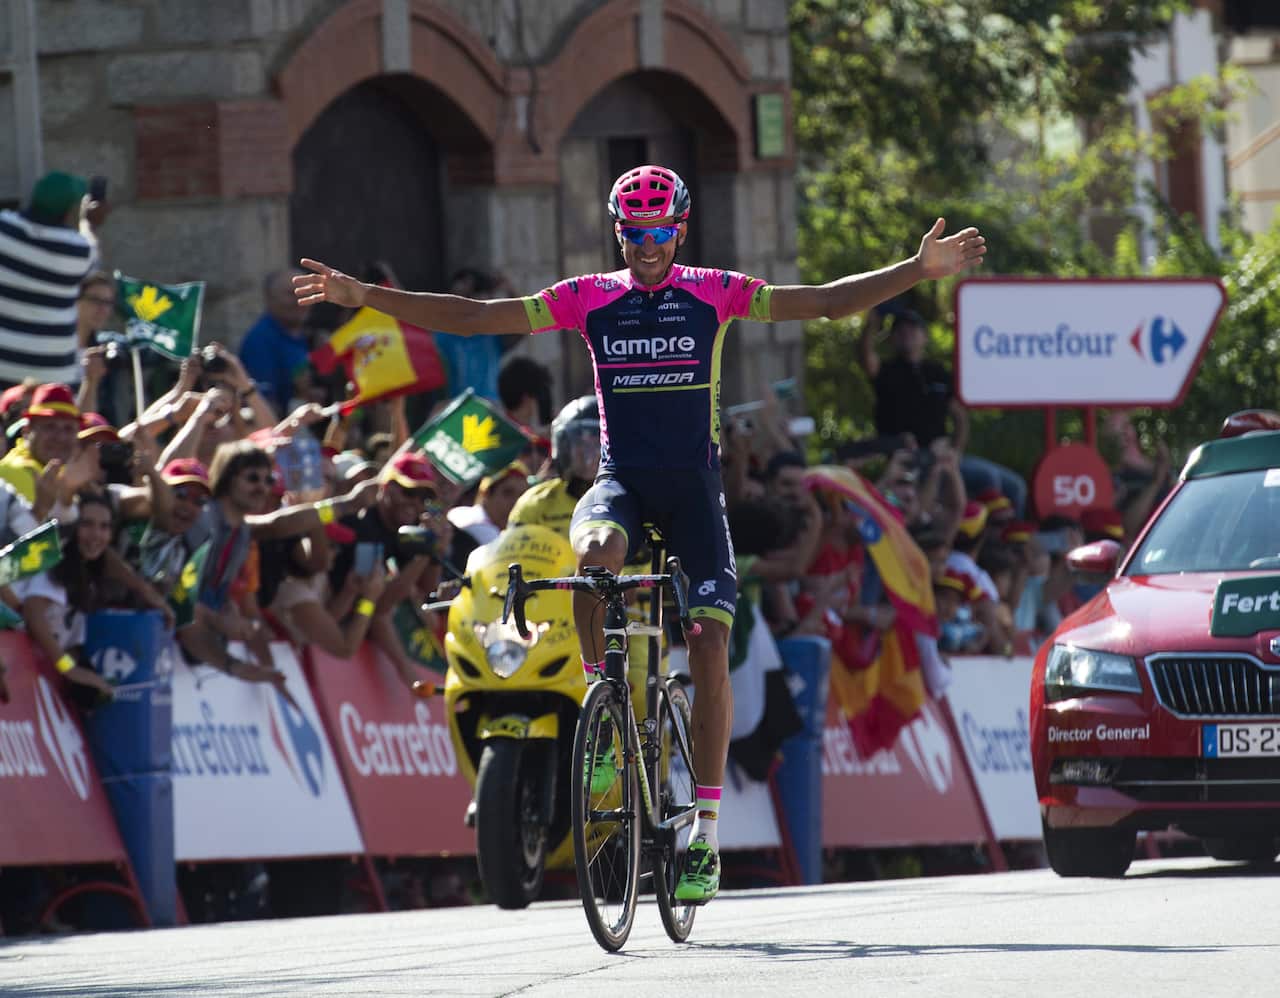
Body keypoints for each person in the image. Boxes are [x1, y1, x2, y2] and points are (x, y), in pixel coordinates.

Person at [293, 162, 985, 903]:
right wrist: (368, 298)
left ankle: (706, 837)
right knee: (591, 556)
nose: (646, 247)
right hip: (621, 483)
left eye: (658, 233)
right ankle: (602, 716)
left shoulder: (714, 291)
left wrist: (914, 271)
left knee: (712, 641)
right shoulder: (590, 298)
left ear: (678, 230)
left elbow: (817, 304)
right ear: (618, 233)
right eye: (632, 234)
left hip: (692, 492)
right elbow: (474, 315)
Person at [18, 491, 171, 709]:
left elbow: (70, 644)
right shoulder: (56, 561)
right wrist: (69, 668)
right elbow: (33, 612)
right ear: (72, 526)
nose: (96, 535)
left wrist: (85, 675)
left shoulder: (89, 572)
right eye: (87, 524)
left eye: (104, 527)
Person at [0, 172, 101, 389]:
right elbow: (92, 262)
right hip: (51, 371)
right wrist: (88, 223)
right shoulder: (79, 251)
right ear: (70, 211)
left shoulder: (4, 230)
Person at [238, 270, 311, 414]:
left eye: (305, 294)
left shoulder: (305, 338)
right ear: (269, 298)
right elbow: (264, 405)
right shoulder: (260, 342)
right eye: (291, 294)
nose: (300, 301)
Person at [446, 461, 529, 547]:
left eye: (522, 496)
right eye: (508, 493)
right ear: (486, 493)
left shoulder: (457, 512)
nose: (515, 503)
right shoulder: (490, 535)